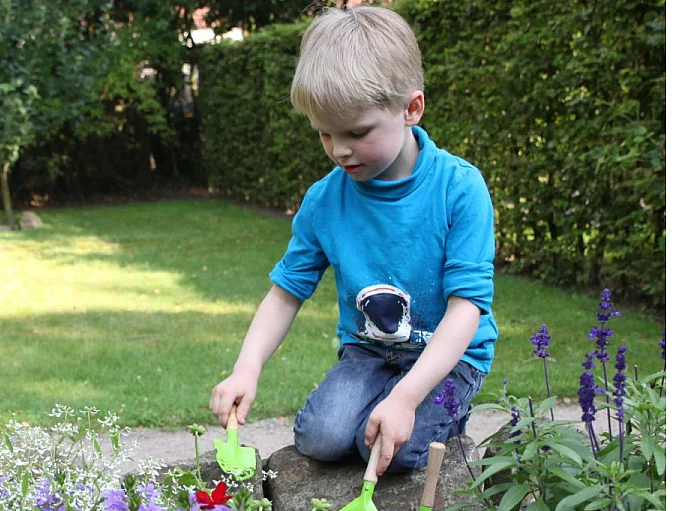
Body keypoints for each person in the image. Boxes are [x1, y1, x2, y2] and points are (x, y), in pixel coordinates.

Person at [209, 5, 498, 476]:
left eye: (356, 132)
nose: (339, 149)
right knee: (320, 439)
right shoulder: (325, 200)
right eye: (324, 133)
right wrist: (247, 367)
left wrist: (406, 397)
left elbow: (467, 309)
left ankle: (442, 415)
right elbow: (285, 294)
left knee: (393, 452)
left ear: (411, 108)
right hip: (369, 350)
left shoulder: (458, 189)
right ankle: (388, 402)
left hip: (450, 356)